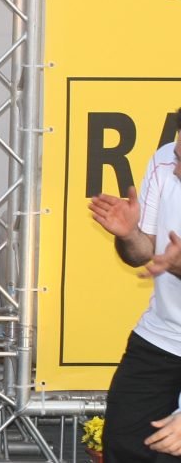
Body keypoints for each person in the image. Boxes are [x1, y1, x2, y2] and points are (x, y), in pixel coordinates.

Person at [89, 141, 181, 462]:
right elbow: (144, 253)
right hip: (162, 336)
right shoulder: (164, 160)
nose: (176, 170)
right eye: (178, 157)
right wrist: (129, 234)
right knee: (124, 442)